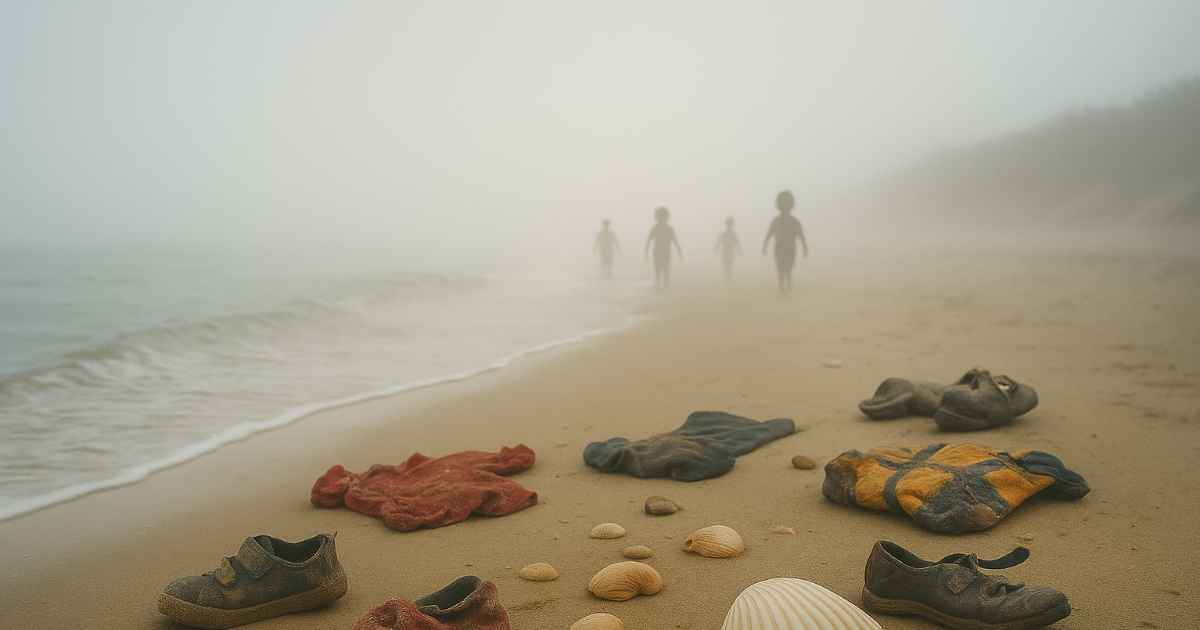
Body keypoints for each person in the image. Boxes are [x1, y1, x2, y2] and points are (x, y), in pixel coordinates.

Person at [762, 190, 807, 292]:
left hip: (788, 247)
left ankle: (785, 286)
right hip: (782, 247)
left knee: (786, 267)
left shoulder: (790, 221)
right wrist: (805, 248)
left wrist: (805, 248)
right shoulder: (782, 221)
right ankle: (784, 286)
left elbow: (801, 236)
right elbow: (769, 235)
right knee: (782, 267)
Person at [644, 206, 682, 290]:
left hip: (663, 250)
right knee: (662, 267)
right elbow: (649, 241)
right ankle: (662, 284)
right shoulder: (662, 228)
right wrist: (679, 252)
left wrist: (646, 252)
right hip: (661, 250)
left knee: (663, 267)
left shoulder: (664, 228)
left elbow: (649, 241)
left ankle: (662, 284)